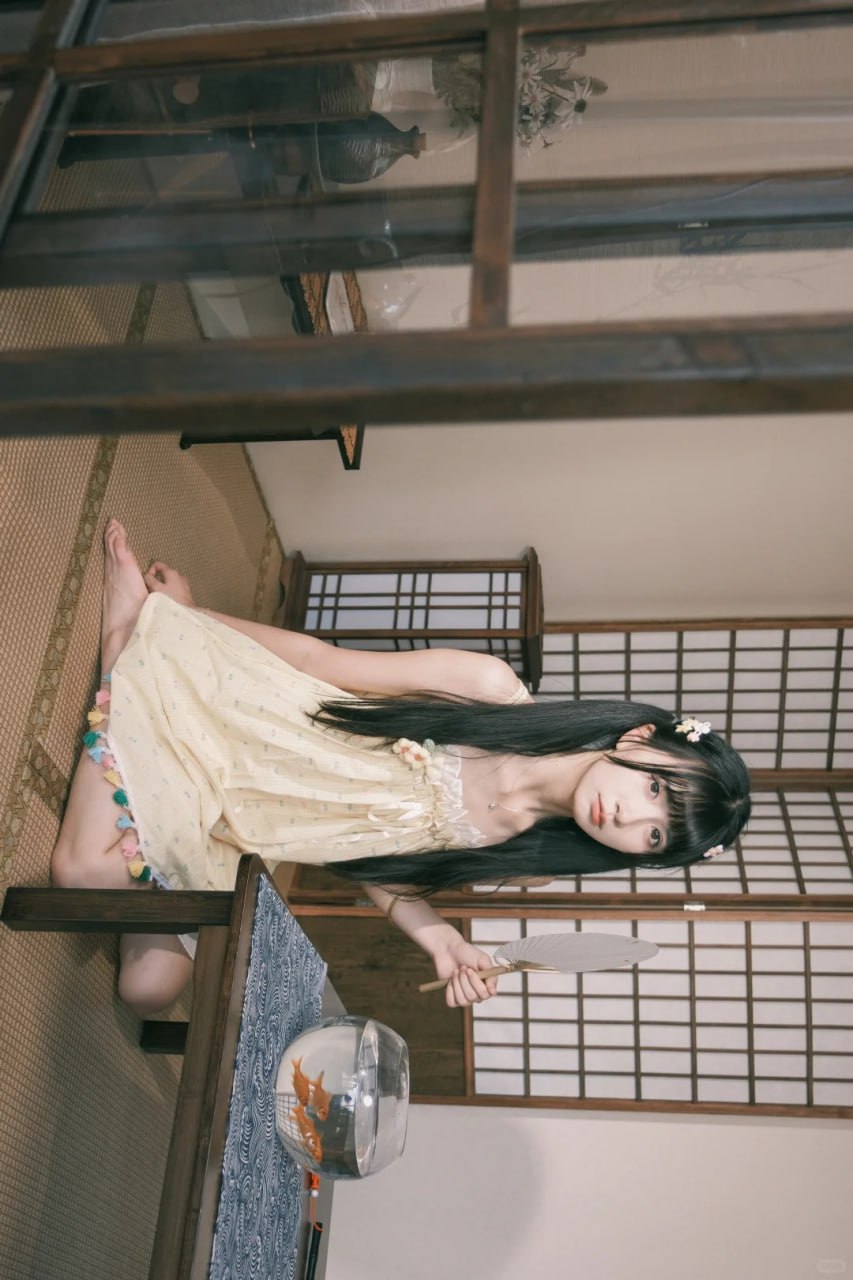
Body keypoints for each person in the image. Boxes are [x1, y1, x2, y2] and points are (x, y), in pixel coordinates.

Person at [51, 521, 751, 1017]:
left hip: (248, 827)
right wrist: (188, 618)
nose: (629, 815)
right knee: (83, 877)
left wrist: (437, 938)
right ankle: (128, 641)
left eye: (654, 835)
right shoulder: (488, 688)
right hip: (250, 729)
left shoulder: (528, 858)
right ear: (637, 738)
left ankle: (142, 756)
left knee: (148, 990)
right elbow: (319, 661)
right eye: (654, 787)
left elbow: (372, 858)